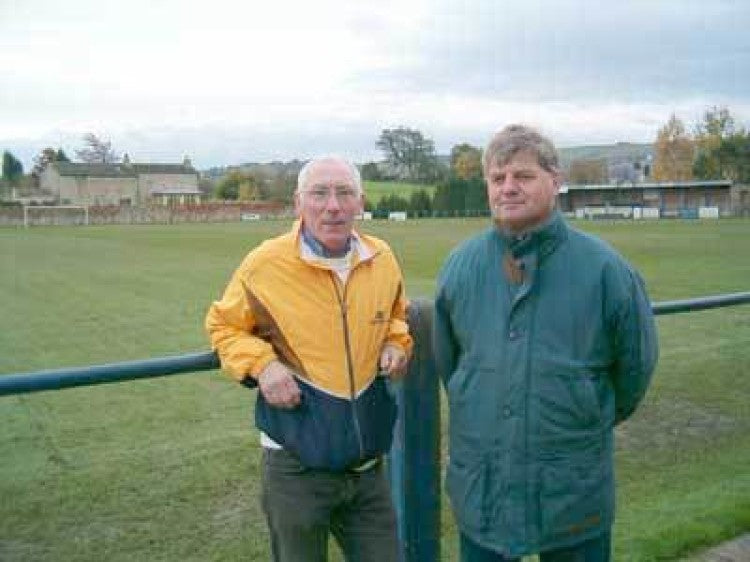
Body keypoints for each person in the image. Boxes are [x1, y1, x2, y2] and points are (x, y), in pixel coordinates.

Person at [434, 124, 658, 561]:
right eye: (498, 179)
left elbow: (634, 371)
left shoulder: (607, 271)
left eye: (523, 176)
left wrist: (583, 412)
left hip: (572, 489)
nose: (509, 188)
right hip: (484, 485)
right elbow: (451, 366)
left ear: (554, 180)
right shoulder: (460, 267)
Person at [205, 155, 413, 562]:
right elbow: (223, 327)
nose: (332, 205)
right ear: (299, 203)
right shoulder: (265, 263)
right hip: (295, 466)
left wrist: (396, 344)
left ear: (360, 202)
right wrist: (263, 365)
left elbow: (396, 317)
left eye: (344, 193)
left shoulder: (382, 257)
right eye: (319, 193)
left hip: (366, 467)